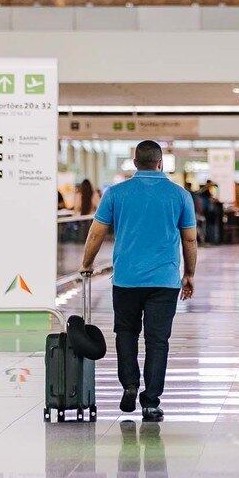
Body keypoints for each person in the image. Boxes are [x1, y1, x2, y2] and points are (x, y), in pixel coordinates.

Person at [79, 140, 197, 422]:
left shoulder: (116, 193)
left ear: (135, 163)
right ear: (161, 163)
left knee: (126, 333)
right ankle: (152, 402)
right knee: (158, 341)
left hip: (127, 280)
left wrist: (87, 264)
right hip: (164, 281)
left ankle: (130, 384)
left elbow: (96, 233)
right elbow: (190, 239)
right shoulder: (179, 195)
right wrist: (189, 274)